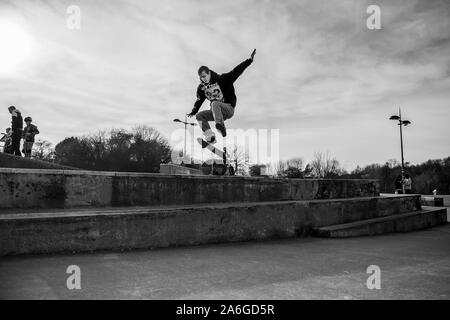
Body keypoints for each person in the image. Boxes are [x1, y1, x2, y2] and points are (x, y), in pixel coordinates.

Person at [187, 49, 256, 147]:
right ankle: (211, 137)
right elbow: (199, 100)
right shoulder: (201, 88)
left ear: (209, 73)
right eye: (201, 77)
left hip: (228, 109)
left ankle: (221, 126)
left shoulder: (222, 79)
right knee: (199, 116)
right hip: (216, 113)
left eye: (204, 76)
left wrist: (249, 61)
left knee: (215, 103)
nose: (203, 79)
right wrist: (194, 111)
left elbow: (235, 72)